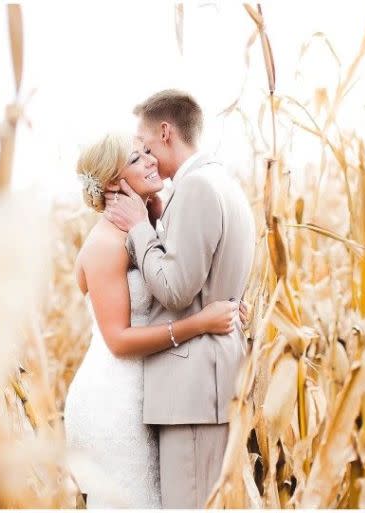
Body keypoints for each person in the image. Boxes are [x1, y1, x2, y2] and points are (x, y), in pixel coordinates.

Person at [63, 132, 248, 508]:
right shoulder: (105, 245)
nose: (151, 161)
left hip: (148, 391)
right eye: (137, 158)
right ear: (114, 183)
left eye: (148, 152)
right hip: (114, 400)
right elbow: (117, 340)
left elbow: (177, 282)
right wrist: (200, 324)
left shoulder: (145, 228)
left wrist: (224, 306)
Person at [103, 90, 256, 508]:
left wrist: (139, 229)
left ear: (165, 132)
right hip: (208, 387)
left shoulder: (197, 189)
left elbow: (174, 289)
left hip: (192, 393)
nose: (145, 156)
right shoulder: (224, 183)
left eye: (145, 143)